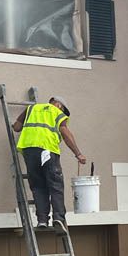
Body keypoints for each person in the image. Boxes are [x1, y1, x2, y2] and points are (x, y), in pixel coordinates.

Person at [13, 96, 86, 229]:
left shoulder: (31, 109)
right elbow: (66, 134)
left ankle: (42, 220)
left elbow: (17, 127)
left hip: (29, 151)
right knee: (55, 185)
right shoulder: (57, 113)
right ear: (58, 105)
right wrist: (78, 153)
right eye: (63, 109)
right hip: (48, 151)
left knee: (38, 186)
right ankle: (58, 218)